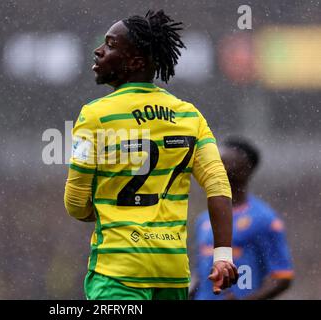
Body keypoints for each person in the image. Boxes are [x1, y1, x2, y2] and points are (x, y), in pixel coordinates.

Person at [64, 10, 238, 300]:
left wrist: (111, 209)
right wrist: (222, 255)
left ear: (135, 61)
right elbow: (218, 184)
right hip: (171, 273)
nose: (98, 50)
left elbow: (76, 204)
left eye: (110, 44)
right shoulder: (189, 115)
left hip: (118, 272)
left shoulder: (94, 116)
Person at [191, 137, 294, 300]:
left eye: (224, 162)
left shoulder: (263, 219)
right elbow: (201, 271)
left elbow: (282, 277)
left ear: (247, 168)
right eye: (217, 162)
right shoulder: (204, 220)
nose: (218, 166)